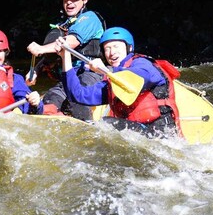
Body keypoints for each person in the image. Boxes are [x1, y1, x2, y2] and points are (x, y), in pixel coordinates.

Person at [54, 27, 183, 138]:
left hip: (162, 133)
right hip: (138, 133)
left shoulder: (142, 63)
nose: (112, 52)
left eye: (116, 46)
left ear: (129, 48)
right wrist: (65, 57)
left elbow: (137, 78)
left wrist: (105, 70)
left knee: (106, 124)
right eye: (107, 48)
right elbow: (77, 94)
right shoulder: (112, 83)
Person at [26, 0, 105, 120]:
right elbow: (50, 56)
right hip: (69, 73)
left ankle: (85, 123)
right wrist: (35, 70)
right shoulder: (63, 25)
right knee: (50, 98)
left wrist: (41, 48)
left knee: (76, 100)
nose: (69, 3)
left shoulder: (90, 18)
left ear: (84, 0)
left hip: (90, 73)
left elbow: (70, 43)